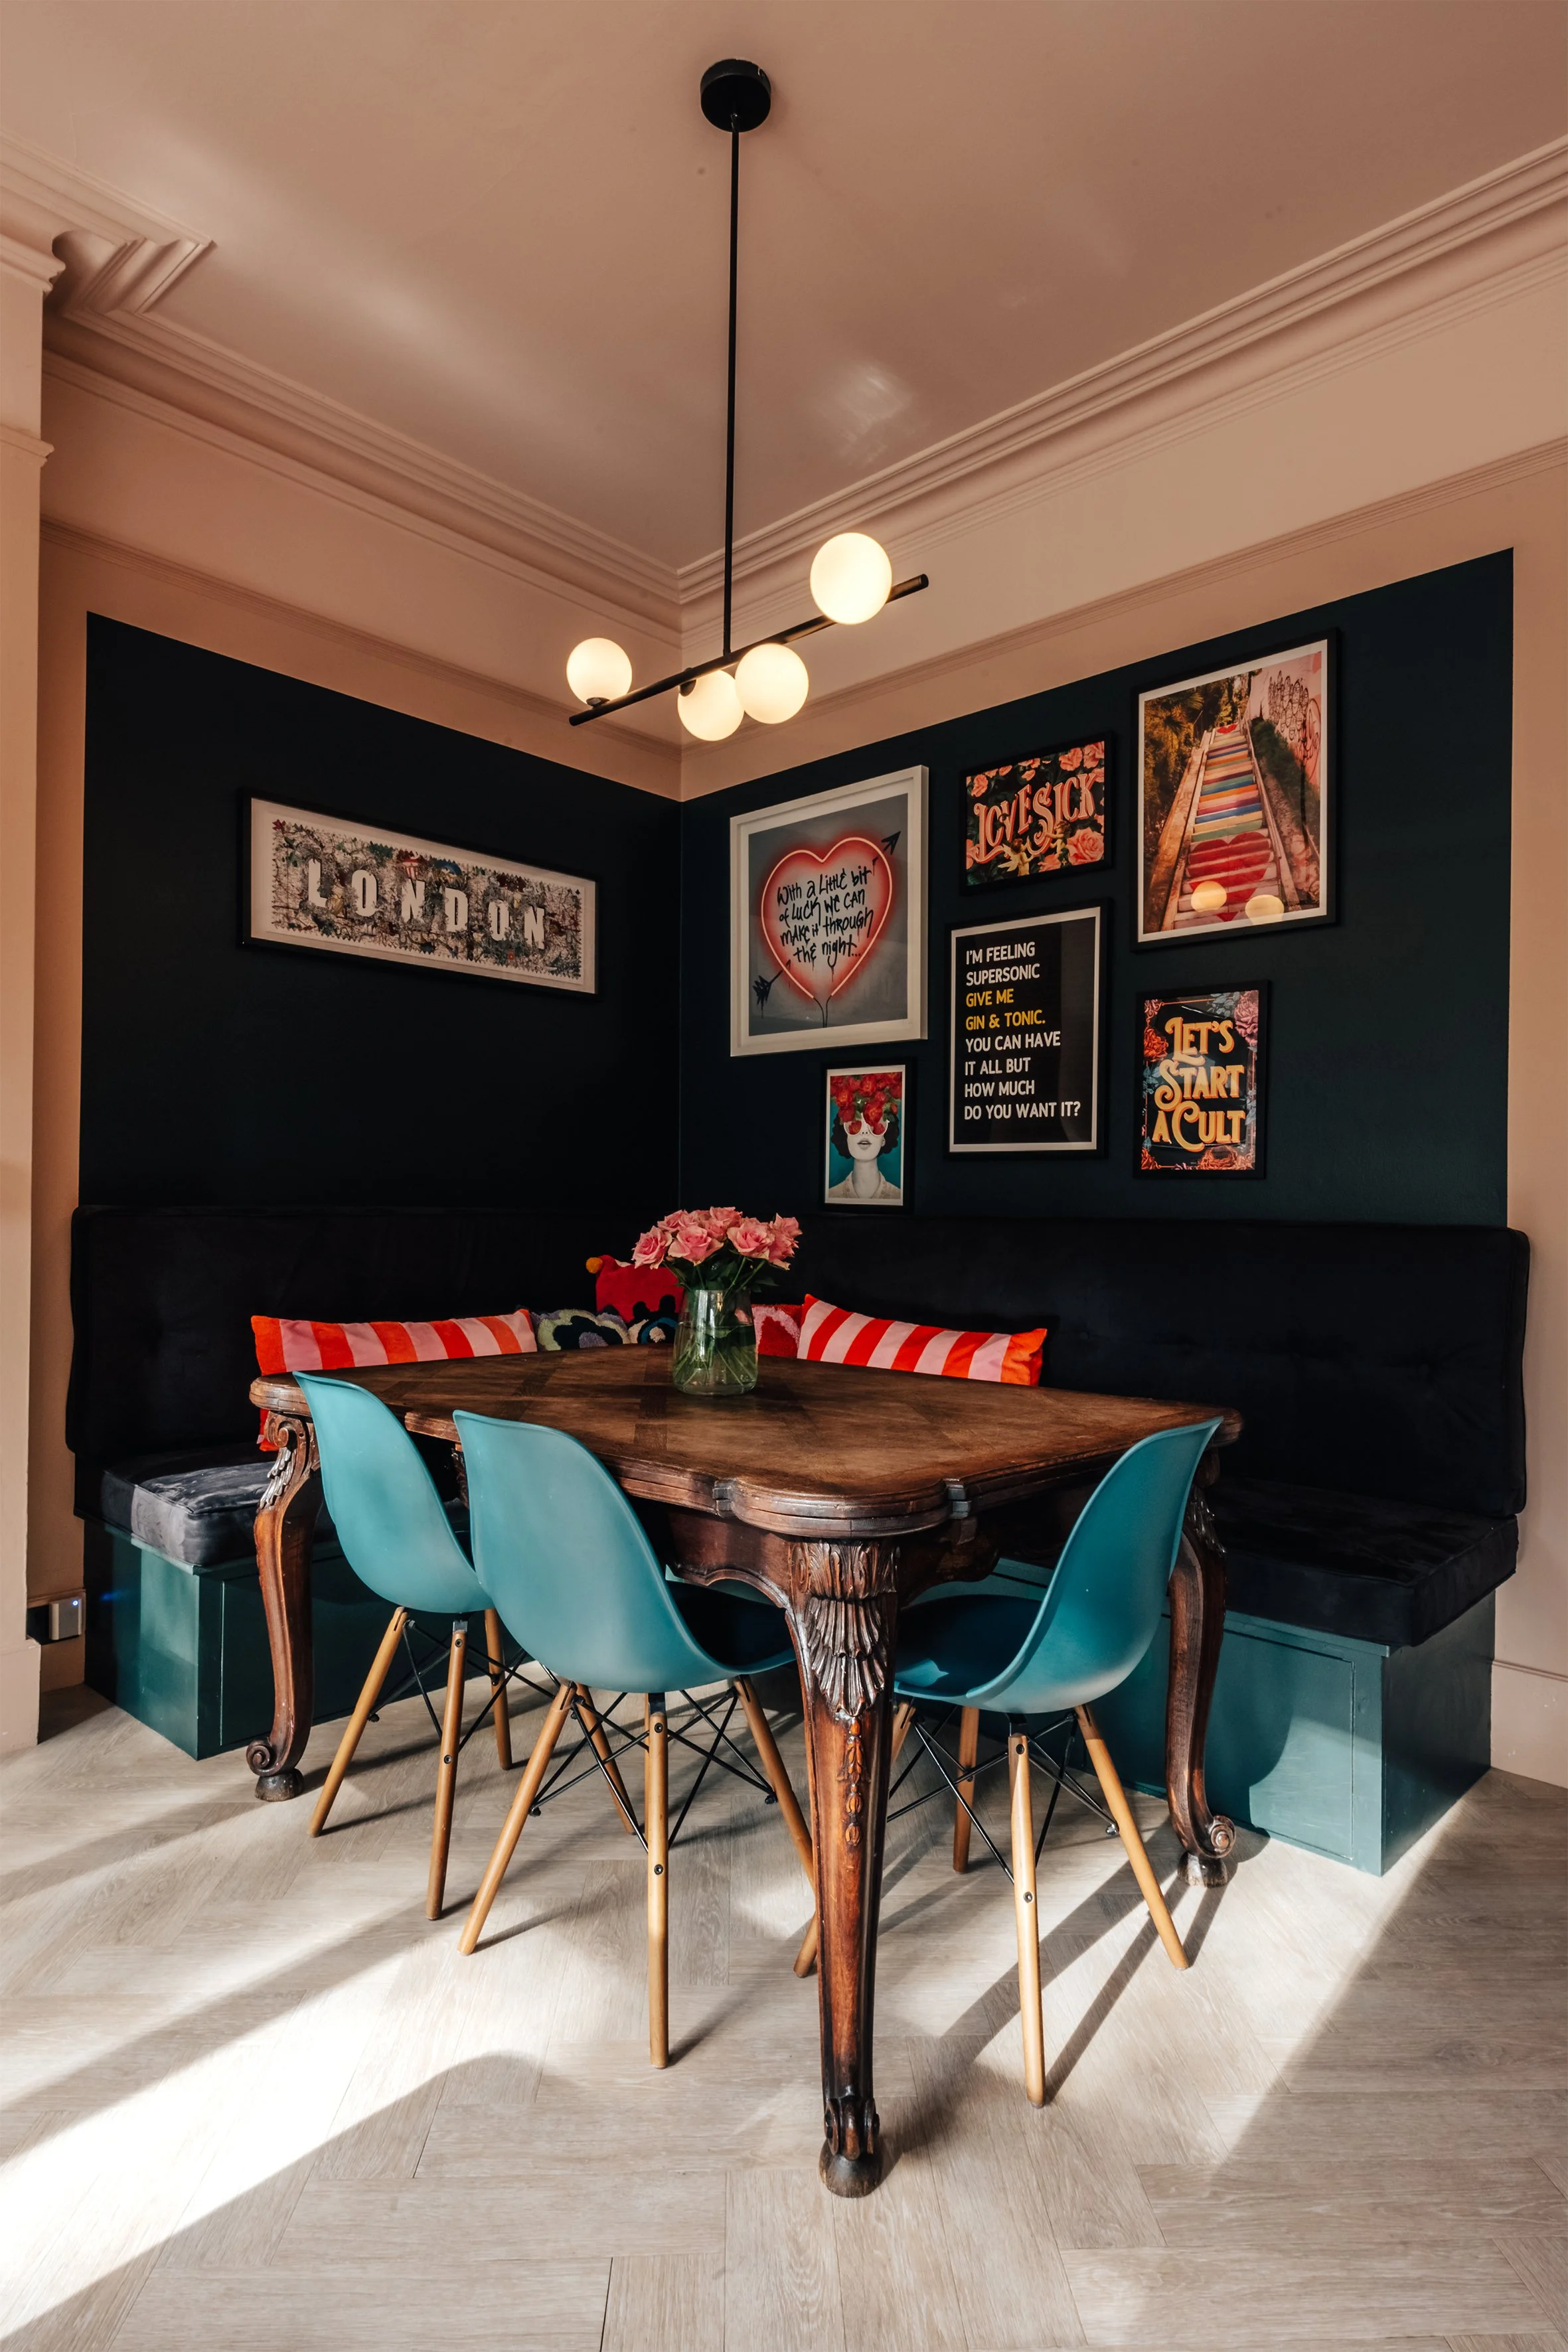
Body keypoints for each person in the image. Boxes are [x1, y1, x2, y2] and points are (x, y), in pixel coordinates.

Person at [826, 1074, 902, 1204]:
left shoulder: (898, 1196)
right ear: (846, 1136)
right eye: (855, 1123)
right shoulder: (831, 1194)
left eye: (875, 1124)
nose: (865, 1131)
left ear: (884, 1138)